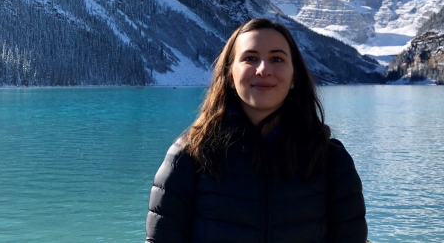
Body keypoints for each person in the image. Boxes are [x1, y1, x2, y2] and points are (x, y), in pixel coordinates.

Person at [146, 18, 367, 243]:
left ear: (294, 77)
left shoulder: (331, 159)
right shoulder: (189, 155)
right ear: (230, 75)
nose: (263, 69)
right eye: (250, 58)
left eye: (277, 59)